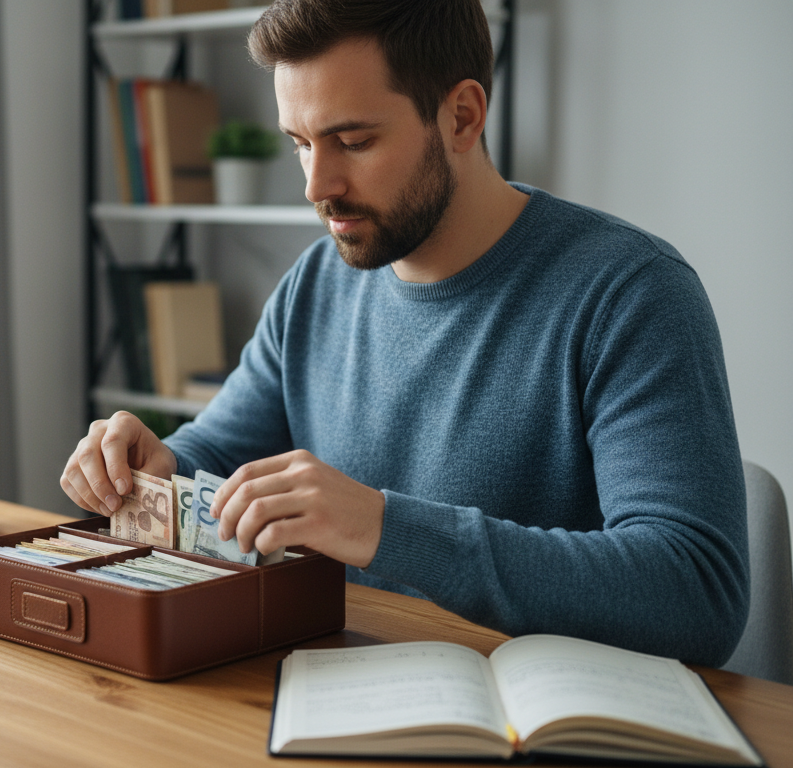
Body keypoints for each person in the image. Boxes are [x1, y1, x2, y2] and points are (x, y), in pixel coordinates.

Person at [61, 0, 748, 667]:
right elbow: (219, 447)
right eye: (300, 144)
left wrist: (385, 528)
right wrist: (161, 465)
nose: (316, 184)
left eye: (353, 141)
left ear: (462, 117)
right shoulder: (316, 284)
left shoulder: (630, 292)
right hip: (334, 692)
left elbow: (696, 595)